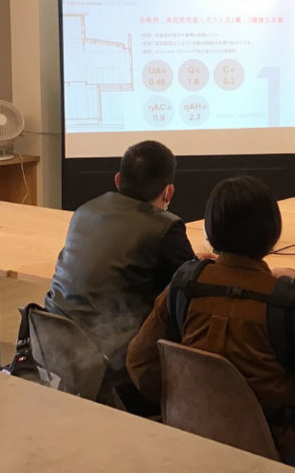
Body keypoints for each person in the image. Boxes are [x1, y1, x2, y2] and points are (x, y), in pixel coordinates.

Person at [127, 176, 295, 472]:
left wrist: (182, 404)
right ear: (273, 232)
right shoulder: (288, 303)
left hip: (195, 431)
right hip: (271, 444)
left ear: (211, 231)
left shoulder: (184, 285)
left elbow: (139, 360)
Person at [45, 139, 201, 413]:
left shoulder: (84, 211)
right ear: (169, 192)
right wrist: (202, 266)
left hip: (53, 351)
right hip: (116, 372)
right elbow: (193, 291)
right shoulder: (165, 227)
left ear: (118, 180)